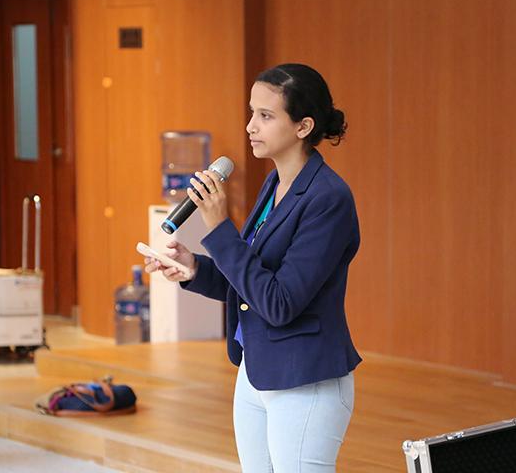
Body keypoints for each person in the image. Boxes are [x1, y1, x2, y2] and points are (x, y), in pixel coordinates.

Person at [145, 63, 361, 472]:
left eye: (265, 116)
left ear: (303, 126)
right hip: (256, 368)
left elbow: (280, 303)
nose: (250, 127)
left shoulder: (328, 199)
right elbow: (254, 283)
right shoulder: (274, 183)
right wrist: (195, 269)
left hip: (304, 379)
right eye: (251, 112)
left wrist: (218, 226)